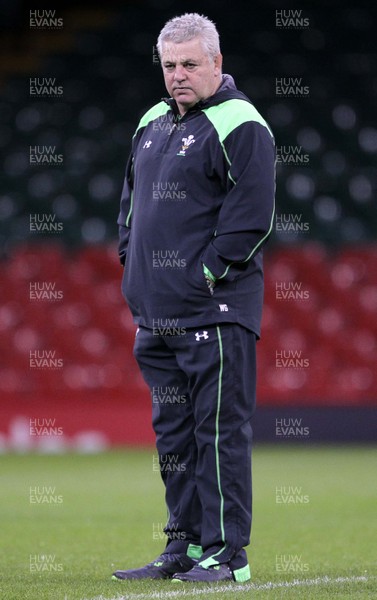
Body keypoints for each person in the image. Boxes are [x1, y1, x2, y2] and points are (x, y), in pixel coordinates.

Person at [113, 12, 275, 584]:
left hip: (216, 313)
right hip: (156, 317)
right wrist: (132, 264)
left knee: (217, 434)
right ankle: (182, 546)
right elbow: (131, 202)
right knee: (175, 439)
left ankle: (229, 557)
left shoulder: (241, 122)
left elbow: (252, 217)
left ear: (216, 64)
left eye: (189, 64)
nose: (178, 75)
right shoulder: (151, 120)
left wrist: (202, 275)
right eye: (169, 65)